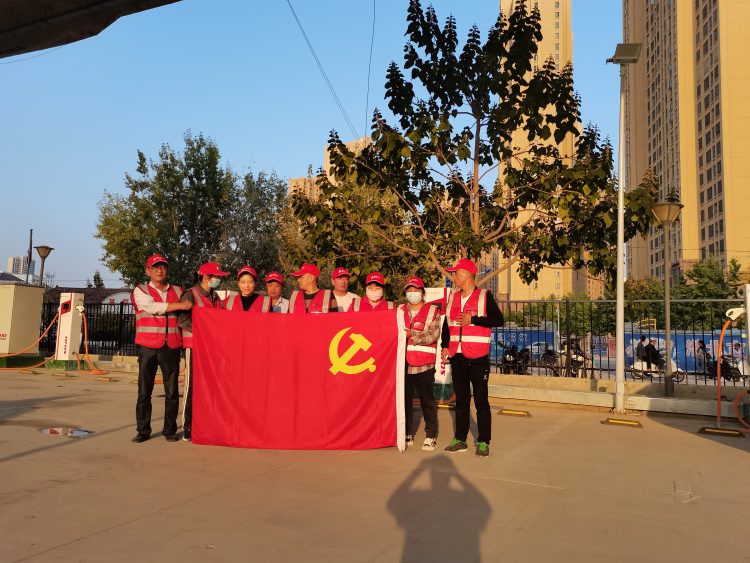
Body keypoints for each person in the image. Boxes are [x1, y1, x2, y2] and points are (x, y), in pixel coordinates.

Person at [440, 258, 503, 457]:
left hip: (478, 357)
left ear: (466, 274)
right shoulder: (453, 297)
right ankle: (460, 439)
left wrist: (473, 319)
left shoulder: (484, 296)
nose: (454, 277)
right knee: (461, 401)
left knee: (481, 401)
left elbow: (498, 320)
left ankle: (483, 441)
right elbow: (446, 325)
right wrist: (444, 346)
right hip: (457, 356)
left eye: (456, 273)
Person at [130, 254, 192, 443]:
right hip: (147, 347)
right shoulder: (140, 290)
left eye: (163, 266)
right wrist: (181, 305)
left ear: (167, 270)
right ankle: (143, 431)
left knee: (172, 392)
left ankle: (170, 430)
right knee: (144, 391)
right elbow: (152, 307)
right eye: (155, 267)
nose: (159, 270)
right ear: (148, 270)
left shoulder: (178, 290)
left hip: (171, 346)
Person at [178, 261, 229, 441]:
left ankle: (206, 423)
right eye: (217, 277)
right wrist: (204, 331)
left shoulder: (216, 298)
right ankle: (188, 426)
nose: (219, 280)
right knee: (192, 385)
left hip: (212, 348)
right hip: (194, 346)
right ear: (206, 277)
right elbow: (183, 320)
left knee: (210, 386)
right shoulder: (190, 294)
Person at [399, 276, 441, 451]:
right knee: (404, 401)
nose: (412, 293)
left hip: (424, 364)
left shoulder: (432, 310)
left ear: (422, 292)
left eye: (415, 290)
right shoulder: (400, 310)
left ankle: (431, 434)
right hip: (403, 363)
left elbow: (433, 335)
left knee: (427, 401)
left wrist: (413, 336)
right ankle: (406, 432)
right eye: (409, 290)